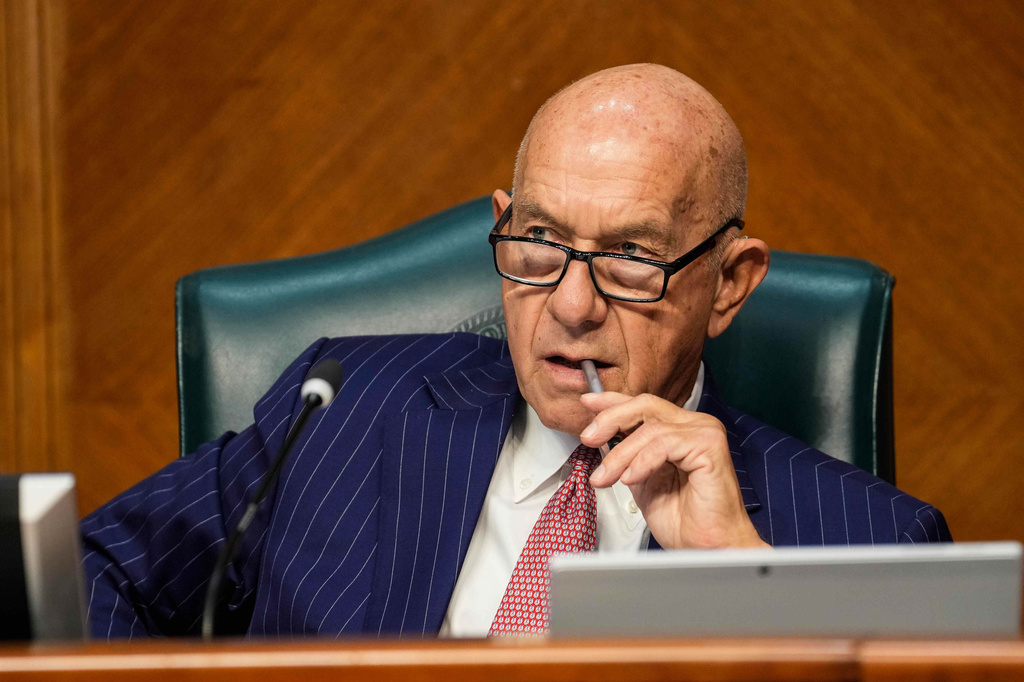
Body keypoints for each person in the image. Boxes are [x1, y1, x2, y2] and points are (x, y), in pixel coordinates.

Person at [81, 64, 951, 639]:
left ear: (728, 283)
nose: (571, 305)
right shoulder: (343, 408)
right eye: (538, 241)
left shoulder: (875, 543)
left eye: (631, 257)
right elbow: (101, 570)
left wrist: (741, 582)